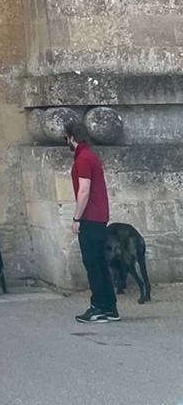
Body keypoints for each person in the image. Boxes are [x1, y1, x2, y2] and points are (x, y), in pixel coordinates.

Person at [65, 116, 119, 323]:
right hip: (99, 217)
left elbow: (84, 191)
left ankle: (98, 307)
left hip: (90, 217)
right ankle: (110, 307)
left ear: (71, 138)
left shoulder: (83, 158)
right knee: (99, 264)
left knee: (93, 264)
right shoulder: (90, 156)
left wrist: (76, 218)